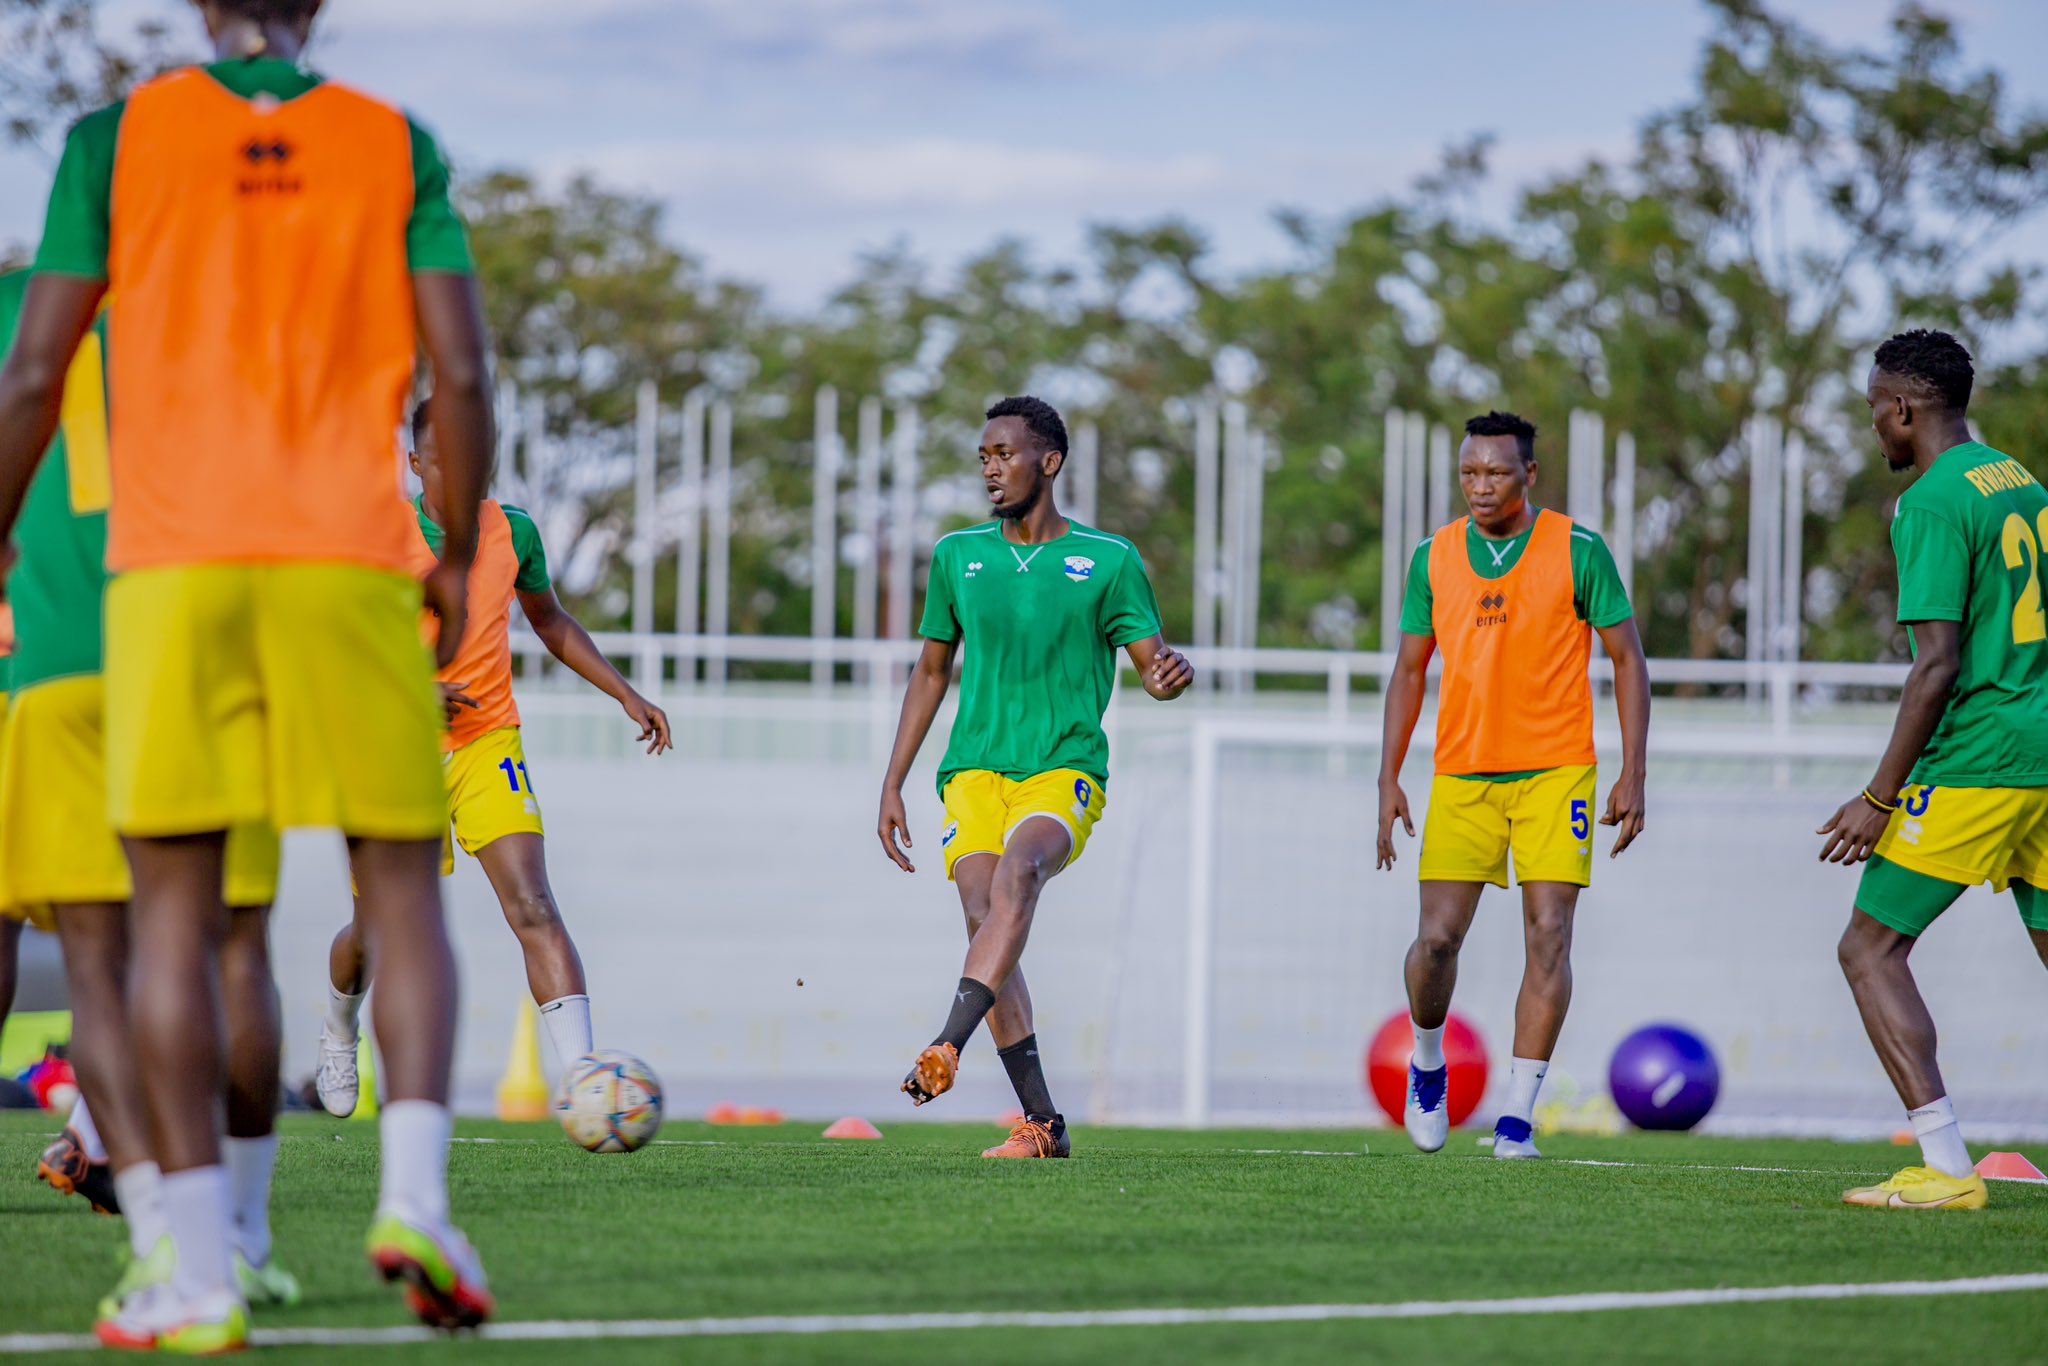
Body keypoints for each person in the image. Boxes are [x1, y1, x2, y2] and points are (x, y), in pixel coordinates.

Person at [0, 0, 497, 1347]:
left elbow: (36, 371)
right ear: (314, 8)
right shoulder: (394, 141)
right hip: (352, 560)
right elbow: (460, 370)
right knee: (399, 888)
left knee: (168, 919)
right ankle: (415, 1202)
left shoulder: (113, 140)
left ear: (203, 8)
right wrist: (456, 553)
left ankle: (202, 1275)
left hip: (175, 574)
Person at [0, 268, 298, 1311]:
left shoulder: (18, 310)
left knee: (97, 962)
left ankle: (168, 1243)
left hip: (62, 661)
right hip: (212, 657)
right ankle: (243, 1233)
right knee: (234, 949)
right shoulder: (233, 301)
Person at [316, 404, 672, 1115]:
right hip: (388, 749)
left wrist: (625, 693)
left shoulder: (514, 531)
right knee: (377, 929)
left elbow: (549, 620)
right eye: (442, 458)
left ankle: (587, 1086)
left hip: (487, 742)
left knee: (534, 904)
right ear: (415, 465)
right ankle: (337, 1028)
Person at [877, 395, 1193, 1158]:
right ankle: (1044, 1124)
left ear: (1048, 462)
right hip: (974, 770)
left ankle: (946, 1044)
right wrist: (892, 782)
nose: (991, 469)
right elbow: (930, 671)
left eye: (1005, 455)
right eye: (983, 457)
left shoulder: (1109, 559)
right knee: (985, 919)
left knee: (1019, 876)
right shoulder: (958, 556)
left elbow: (1152, 663)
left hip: (1063, 768)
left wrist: (1167, 677)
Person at [1377, 410, 1650, 1160]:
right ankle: (1427, 1062)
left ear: (1529, 474)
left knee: (1549, 934)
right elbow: (1408, 670)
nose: (1480, 485)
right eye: (1469, 472)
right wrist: (1388, 777)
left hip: (1558, 771)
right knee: (1436, 941)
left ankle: (1517, 1119)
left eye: (1496, 472)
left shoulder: (1579, 549)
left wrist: (1633, 770)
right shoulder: (1433, 556)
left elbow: (1628, 658)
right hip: (1462, 774)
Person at [1819, 329, 2048, 1212]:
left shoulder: (1930, 502)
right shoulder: (2019, 481)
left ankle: (1947, 1168)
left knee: (1869, 947)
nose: (1874, 424)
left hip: (1984, 759)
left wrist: (1879, 797)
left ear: (1906, 409)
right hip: (2042, 751)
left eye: (1876, 409)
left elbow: (1936, 667)